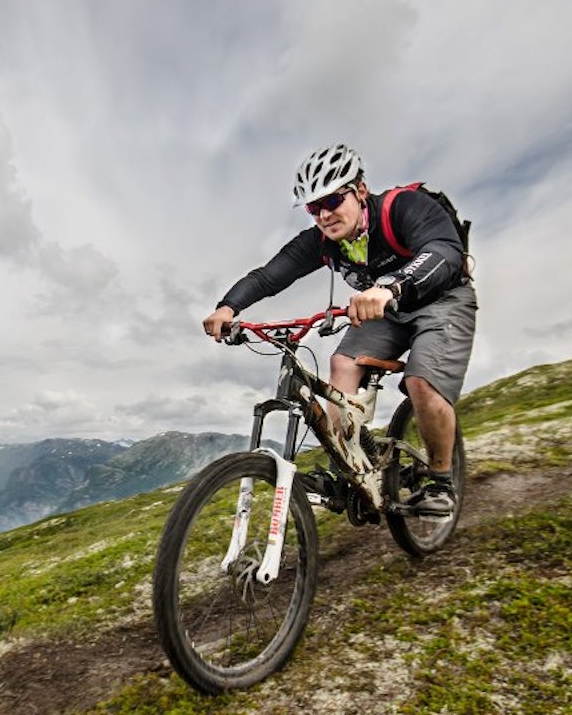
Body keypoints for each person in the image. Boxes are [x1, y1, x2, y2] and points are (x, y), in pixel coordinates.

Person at [201, 144, 477, 515]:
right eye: (314, 208)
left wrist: (391, 286)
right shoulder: (321, 242)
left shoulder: (404, 208)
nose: (324, 215)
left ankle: (442, 482)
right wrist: (228, 306)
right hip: (387, 312)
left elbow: (445, 251)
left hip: (443, 300)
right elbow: (269, 276)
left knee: (421, 382)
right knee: (341, 365)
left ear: (360, 191)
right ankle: (353, 465)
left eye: (332, 200)